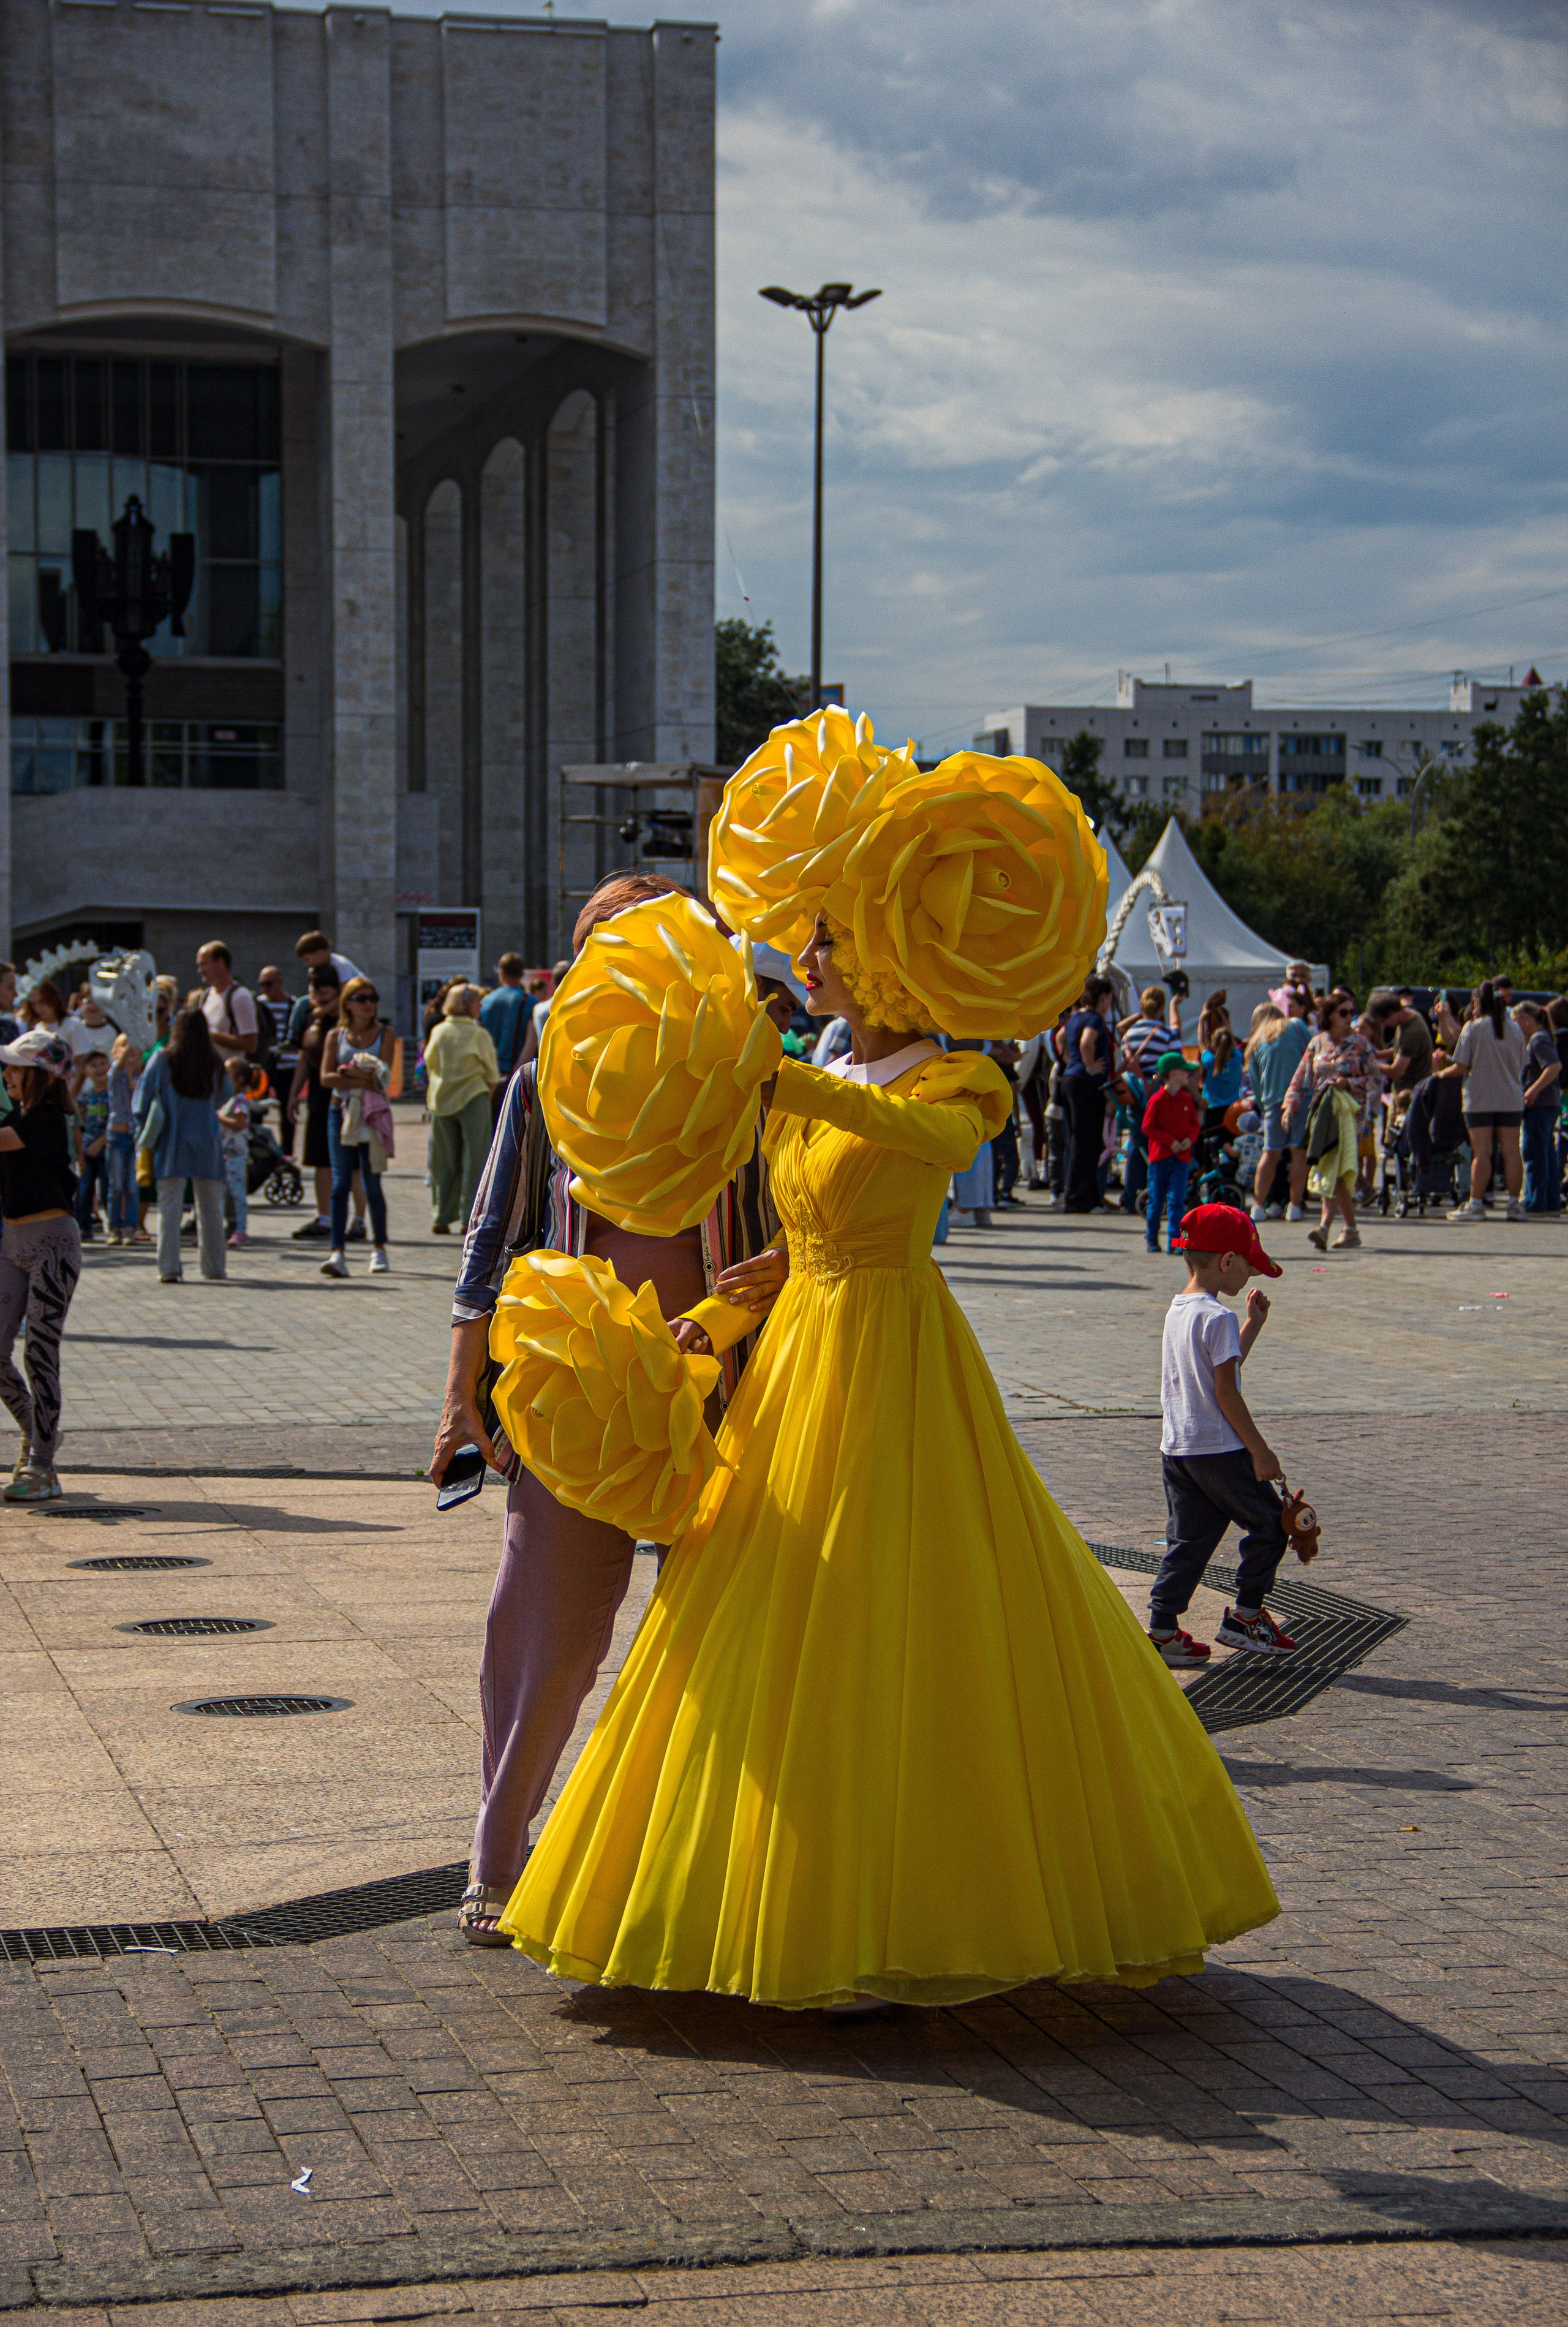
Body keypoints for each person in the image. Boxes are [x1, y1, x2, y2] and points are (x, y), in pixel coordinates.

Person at [496, 734, 1279, 2005]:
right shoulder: (811, 1070)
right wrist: (713, 1327)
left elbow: (920, 1141)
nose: (804, 957)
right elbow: (783, 1254)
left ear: (875, 942)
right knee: (775, 1619)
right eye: (805, 937)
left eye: (824, 936)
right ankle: (786, 1887)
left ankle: (918, 1905)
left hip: (898, 1361)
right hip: (800, 1357)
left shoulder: (962, 1078)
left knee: (913, 1611)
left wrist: (782, 1085)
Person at [431, 871, 786, 1944]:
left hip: (734, 1390)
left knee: (725, 1630)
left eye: (646, 934)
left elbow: (804, 1211)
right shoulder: (544, 1075)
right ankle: (499, 1854)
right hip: (578, 1390)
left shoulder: (750, 1067)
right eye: (600, 939)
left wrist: (779, 1270)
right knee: (544, 1625)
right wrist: (459, 1393)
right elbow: (492, 1235)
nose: (624, 957)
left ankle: (713, 1865)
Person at [1146, 1204, 1296, 1667]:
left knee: (1188, 1540)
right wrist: (1260, 1451)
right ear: (1227, 1261)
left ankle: (1162, 1629)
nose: (1253, 1272)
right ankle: (1247, 1616)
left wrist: (1253, 1325)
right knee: (1272, 1524)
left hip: (1180, 1449)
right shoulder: (1216, 1316)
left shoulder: (1179, 1309)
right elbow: (1226, 1391)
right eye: (1248, 1264)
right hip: (1219, 1448)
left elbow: (1218, 1368)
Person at [0, 1028, 83, 1503]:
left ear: (41, 1076)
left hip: (53, 1244)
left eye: (16, 1067)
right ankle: (38, 1432)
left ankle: (43, 1466)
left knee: (39, 1351)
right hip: (12, 1243)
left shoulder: (47, 1121)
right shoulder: (17, 1116)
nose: (7, 1074)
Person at [135, 1008, 228, 1282]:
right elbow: (225, 1097)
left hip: (171, 1141)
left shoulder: (163, 1059)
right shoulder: (214, 1062)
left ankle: (169, 1268)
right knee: (211, 1210)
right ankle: (214, 1268)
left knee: (169, 1209)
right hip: (207, 1141)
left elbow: (142, 1099)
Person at [1284, 993, 1379, 1252]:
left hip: (1350, 1115)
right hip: (1323, 1114)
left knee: (1335, 1165)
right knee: (1335, 1167)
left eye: (1352, 1012)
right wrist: (1290, 1107)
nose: (1350, 1018)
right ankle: (1350, 1230)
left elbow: (1375, 1079)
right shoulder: (1317, 1043)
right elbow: (1301, 1079)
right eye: (1344, 1013)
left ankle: (1324, 1227)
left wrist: (1350, 1083)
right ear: (1329, 1015)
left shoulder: (1361, 1045)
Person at [318, 976, 396, 1278]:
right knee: (340, 1184)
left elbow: (383, 1079)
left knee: (372, 1182)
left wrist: (348, 1074)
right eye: (362, 999)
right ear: (347, 1003)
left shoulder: (385, 1033)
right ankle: (337, 1252)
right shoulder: (335, 1036)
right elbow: (326, 1078)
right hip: (340, 1112)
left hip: (372, 1114)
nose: (369, 1004)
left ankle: (379, 1248)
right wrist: (364, 1077)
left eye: (373, 998)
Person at [1436, 981, 1527, 1222]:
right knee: (1512, 1152)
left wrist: (1441, 1074)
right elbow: (1523, 1063)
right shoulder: (1515, 1029)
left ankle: (1476, 1204)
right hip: (1511, 1098)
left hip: (1479, 1098)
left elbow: (1461, 1066)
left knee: (1482, 1153)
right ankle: (1514, 1204)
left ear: (1478, 1003)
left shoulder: (1473, 1028)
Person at [286, 967, 363, 1242]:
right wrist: (294, 1094)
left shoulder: (347, 1019)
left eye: (324, 991)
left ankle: (359, 1219)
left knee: (354, 1162)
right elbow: (304, 1057)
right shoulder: (310, 1017)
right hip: (318, 1098)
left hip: (347, 1098)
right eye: (313, 991)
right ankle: (325, 1218)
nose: (317, 997)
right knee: (320, 1159)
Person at [424, 984, 500, 1234]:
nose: (481, 1005)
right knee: (476, 1160)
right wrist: (488, 1095)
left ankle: (441, 1216)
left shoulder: (439, 1031)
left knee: (443, 1161)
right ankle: (470, 1217)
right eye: (478, 1001)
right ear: (467, 1004)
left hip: (441, 1100)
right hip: (473, 1097)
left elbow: (430, 1064)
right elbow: (492, 1073)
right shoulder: (479, 1034)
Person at [1061, 972, 1115, 1213]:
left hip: (1072, 1080)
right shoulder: (1094, 1019)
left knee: (1078, 1141)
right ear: (1103, 997)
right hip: (1086, 1084)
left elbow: (1061, 1038)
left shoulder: (1075, 1017)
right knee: (1088, 1143)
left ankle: (1081, 1196)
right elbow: (1086, 1042)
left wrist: (1070, 1061)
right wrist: (1090, 1065)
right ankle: (1080, 1199)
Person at [1141, 1051, 1200, 1255]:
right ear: (1173, 1073)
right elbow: (1148, 1127)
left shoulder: (1186, 1099)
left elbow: (1194, 1126)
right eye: (1185, 1071)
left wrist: (1189, 1139)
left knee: (1177, 1201)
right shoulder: (1157, 1100)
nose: (1188, 1075)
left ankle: (1175, 1243)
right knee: (1157, 1201)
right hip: (1160, 1159)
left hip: (1181, 1159)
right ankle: (1152, 1238)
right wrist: (1170, 1142)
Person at [1516, 1001, 1561, 1216]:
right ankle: (1551, 1202)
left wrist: (1533, 1090)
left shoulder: (1538, 1039)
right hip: (1549, 1103)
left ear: (1526, 1020)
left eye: (1516, 1021)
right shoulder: (1542, 1037)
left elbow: (1554, 1066)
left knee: (1534, 1152)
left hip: (1541, 1104)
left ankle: (1535, 1202)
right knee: (1546, 1153)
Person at [480, 954, 531, 1116]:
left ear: (501, 973)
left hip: (488, 1076)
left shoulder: (485, 1002)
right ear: (522, 974)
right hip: (517, 1075)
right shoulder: (530, 1002)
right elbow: (531, 1044)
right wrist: (516, 1075)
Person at [105, 1034, 143, 1247]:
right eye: (124, 1046)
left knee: (132, 1187)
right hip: (117, 1137)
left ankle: (130, 1228)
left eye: (133, 1047)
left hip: (135, 1137)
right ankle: (114, 1228)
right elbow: (120, 1064)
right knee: (117, 1186)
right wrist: (131, 1034)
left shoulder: (141, 1078)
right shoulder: (114, 1074)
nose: (130, 1050)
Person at [195, 941, 259, 1064]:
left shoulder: (240, 996)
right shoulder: (206, 996)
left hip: (230, 1073)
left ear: (220, 963)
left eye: (203, 964)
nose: (200, 970)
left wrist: (209, 1035)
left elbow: (251, 1044)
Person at [72, 1049, 112, 1240]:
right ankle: (85, 1227)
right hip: (88, 1152)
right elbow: (81, 1125)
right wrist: (81, 1153)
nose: (99, 1069)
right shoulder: (86, 1097)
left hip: (108, 1151)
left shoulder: (113, 1095)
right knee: (85, 1190)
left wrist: (101, 1142)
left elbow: (115, 1123)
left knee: (108, 1190)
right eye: (93, 1066)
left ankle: (114, 1225)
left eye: (103, 1064)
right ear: (85, 1071)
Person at [217, 1056, 253, 1248]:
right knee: (219, 1194)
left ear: (239, 1079)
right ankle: (216, 1229)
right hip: (224, 1154)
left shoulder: (240, 1100)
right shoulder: (227, 1100)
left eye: (227, 1074)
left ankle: (241, 1229)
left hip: (235, 1156)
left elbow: (240, 1124)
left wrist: (218, 1117)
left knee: (237, 1193)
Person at [295, 930, 364, 988]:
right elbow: (313, 995)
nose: (306, 964)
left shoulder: (341, 965)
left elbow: (344, 995)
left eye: (307, 959)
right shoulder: (313, 970)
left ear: (319, 953)